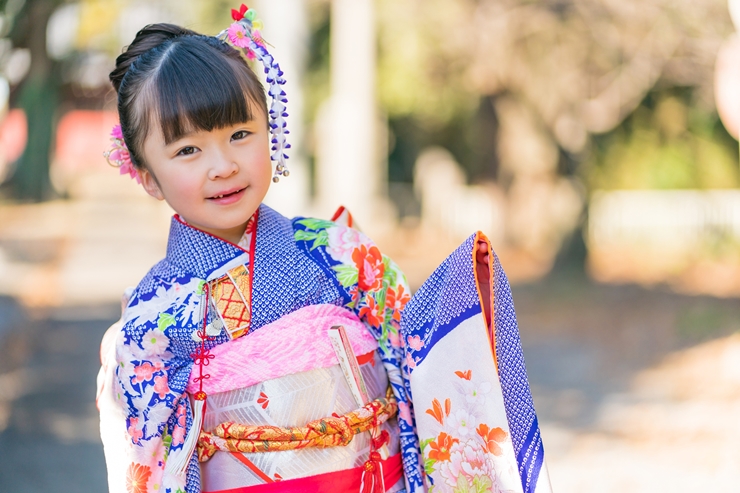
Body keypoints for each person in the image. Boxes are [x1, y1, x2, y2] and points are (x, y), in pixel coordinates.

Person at [96, 5, 552, 493]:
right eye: (188, 149)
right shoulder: (153, 315)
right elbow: (146, 459)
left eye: (240, 134)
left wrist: (464, 303)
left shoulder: (336, 250)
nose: (223, 165)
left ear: (272, 133)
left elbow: (412, 355)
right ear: (147, 176)